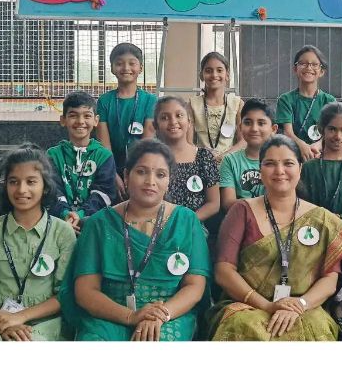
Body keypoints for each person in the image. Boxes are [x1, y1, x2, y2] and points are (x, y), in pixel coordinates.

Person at [208, 135, 342, 341]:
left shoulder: (321, 219)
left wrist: (300, 305)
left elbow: (330, 280)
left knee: (315, 326)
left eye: (288, 163)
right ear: (260, 170)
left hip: (304, 307)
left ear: (300, 169)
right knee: (243, 325)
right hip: (247, 305)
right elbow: (224, 271)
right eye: (270, 164)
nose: (279, 171)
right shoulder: (242, 211)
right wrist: (267, 305)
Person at [59, 139, 212, 341]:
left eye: (160, 174)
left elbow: (195, 287)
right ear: (126, 176)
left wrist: (160, 315)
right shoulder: (100, 223)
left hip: (168, 315)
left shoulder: (186, 221)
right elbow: (86, 291)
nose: (150, 181)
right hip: (110, 315)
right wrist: (131, 316)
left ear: (169, 181)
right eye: (141, 172)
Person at [0, 144, 76, 341]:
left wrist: (20, 317)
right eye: (13, 182)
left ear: (45, 187)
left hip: (48, 324)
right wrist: (3, 323)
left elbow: (65, 295)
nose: (21, 189)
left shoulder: (62, 232)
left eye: (31, 181)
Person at [47, 91, 116, 234]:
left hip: (94, 224)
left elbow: (104, 194)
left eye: (87, 116)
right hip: (59, 223)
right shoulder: (52, 155)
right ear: (63, 120)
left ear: (96, 120)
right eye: (73, 115)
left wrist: (81, 215)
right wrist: (65, 214)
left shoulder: (104, 156)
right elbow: (52, 191)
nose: (80, 121)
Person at [97, 42, 157, 199]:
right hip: (110, 168)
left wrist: (133, 175)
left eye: (132, 63)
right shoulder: (104, 101)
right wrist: (113, 175)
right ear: (112, 68)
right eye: (119, 63)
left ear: (141, 68)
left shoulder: (150, 100)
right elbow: (104, 145)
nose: (126, 68)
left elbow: (147, 143)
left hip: (141, 167)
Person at [300, 102, 342, 228]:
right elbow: (301, 206)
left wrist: (335, 220)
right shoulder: (309, 167)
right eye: (332, 129)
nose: (338, 136)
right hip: (313, 231)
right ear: (321, 129)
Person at [154, 96, 220, 223]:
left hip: (193, 226)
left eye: (179, 115)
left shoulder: (204, 157)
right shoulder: (150, 158)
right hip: (157, 226)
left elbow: (214, 203)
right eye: (165, 117)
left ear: (189, 122)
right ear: (155, 126)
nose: (173, 121)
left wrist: (186, 222)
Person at [275, 45, 336, 162]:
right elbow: (288, 133)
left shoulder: (329, 101)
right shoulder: (285, 100)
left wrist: (318, 145)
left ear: (321, 71)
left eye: (314, 64)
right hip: (293, 157)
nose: (309, 67)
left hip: (321, 155)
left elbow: (333, 131)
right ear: (295, 69)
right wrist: (302, 146)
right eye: (303, 63)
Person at [219, 98, 277, 212]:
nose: (254, 129)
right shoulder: (230, 161)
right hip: (240, 218)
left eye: (261, 123)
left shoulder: (281, 160)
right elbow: (228, 203)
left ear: (273, 129)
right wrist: (266, 203)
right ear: (240, 127)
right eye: (248, 123)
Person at [188, 51, 245, 164]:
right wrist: (202, 153)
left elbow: (243, 141)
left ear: (227, 75)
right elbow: (187, 142)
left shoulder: (237, 103)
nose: (214, 75)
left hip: (230, 164)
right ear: (201, 75)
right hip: (202, 164)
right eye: (208, 71)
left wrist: (224, 156)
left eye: (219, 70)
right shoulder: (193, 104)